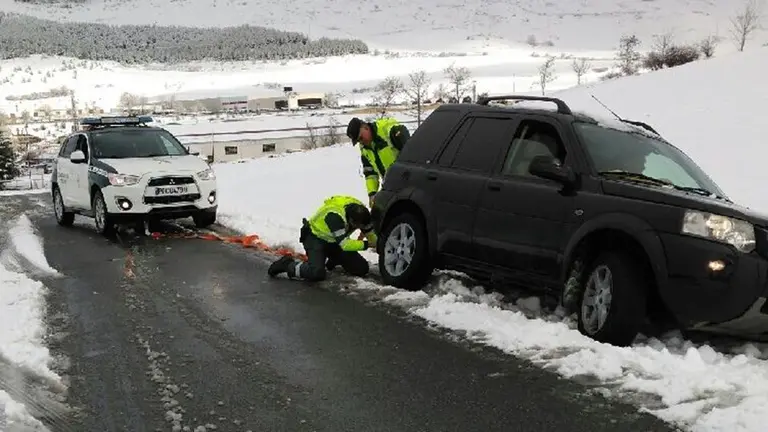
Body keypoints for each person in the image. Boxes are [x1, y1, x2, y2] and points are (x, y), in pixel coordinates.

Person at [267, 195, 378, 281]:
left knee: (361, 269)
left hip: (334, 241)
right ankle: (287, 264)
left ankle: (334, 258)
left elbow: (371, 234)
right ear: (351, 220)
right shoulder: (335, 217)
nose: (359, 228)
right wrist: (367, 245)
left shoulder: (362, 214)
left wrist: (377, 242)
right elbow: (345, 245)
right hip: (315, 238)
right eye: (357, 226)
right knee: (316, 273)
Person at [346, 117, 410, 207]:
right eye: (358, 141)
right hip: (390, 186)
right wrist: (372, 194)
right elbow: (370, 174)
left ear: (365, 127)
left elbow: (411, 153)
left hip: (408, 181)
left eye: (361, 137)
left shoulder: (388, 130)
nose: (361, 142)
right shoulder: (365, 149)